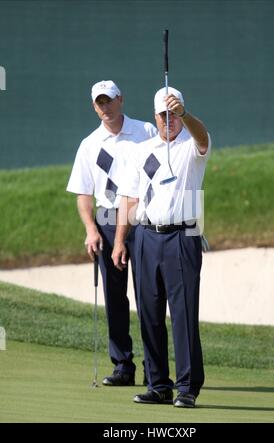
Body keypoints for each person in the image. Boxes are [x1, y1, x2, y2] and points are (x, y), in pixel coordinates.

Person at [112, 86, 211, 408]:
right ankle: (158, 385)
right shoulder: (142, 150)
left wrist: (184, 113)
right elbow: (130, 197)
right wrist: (120, 240)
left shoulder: (192, 145)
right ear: (155, 117)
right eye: (163, 115)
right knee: (149, 312)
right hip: (145, 237)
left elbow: (203, 136)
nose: (169, 120)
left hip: (183, 237)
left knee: (182, 314)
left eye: (173, 114)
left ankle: (187, 388)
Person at [67, 80, 157, 386]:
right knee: (114, 297)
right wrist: (91, 229)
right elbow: (83, 194)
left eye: (109, 101)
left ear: (121, 100)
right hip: (106, 221)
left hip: (142, 219)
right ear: (94, 106)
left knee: (149, 295)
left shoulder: (146, 131)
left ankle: (154, 368)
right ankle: (122, 365)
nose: (104, 107)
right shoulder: (89, 144)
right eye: (99, 103)